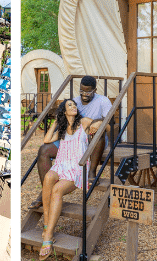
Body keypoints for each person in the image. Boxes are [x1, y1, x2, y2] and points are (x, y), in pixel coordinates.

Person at [38, 99, 109, 260]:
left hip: (77, 167)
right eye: (70, 105)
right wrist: (56, 122)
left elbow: (105, 124)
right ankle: (46, 224)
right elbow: (46, 140)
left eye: (74, 105)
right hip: (61, 165)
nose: (74, 106)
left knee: (56, 190)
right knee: (48, 177)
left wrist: (98, 124)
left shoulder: (83, 122)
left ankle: (48, 236)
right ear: (64, 111)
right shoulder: (62, 129)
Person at [29, 75, 111, 209]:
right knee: (43, 150)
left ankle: (91, 172)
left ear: (95, 90)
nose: (84, 94)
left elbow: (110, 124)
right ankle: (45, 191)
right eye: (82, 91)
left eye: (88, 92)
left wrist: (100, 122)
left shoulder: (103, 101)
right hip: (72, 138)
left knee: (96, 132)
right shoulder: (75, 102)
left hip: (92, 139)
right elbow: (64, 119)